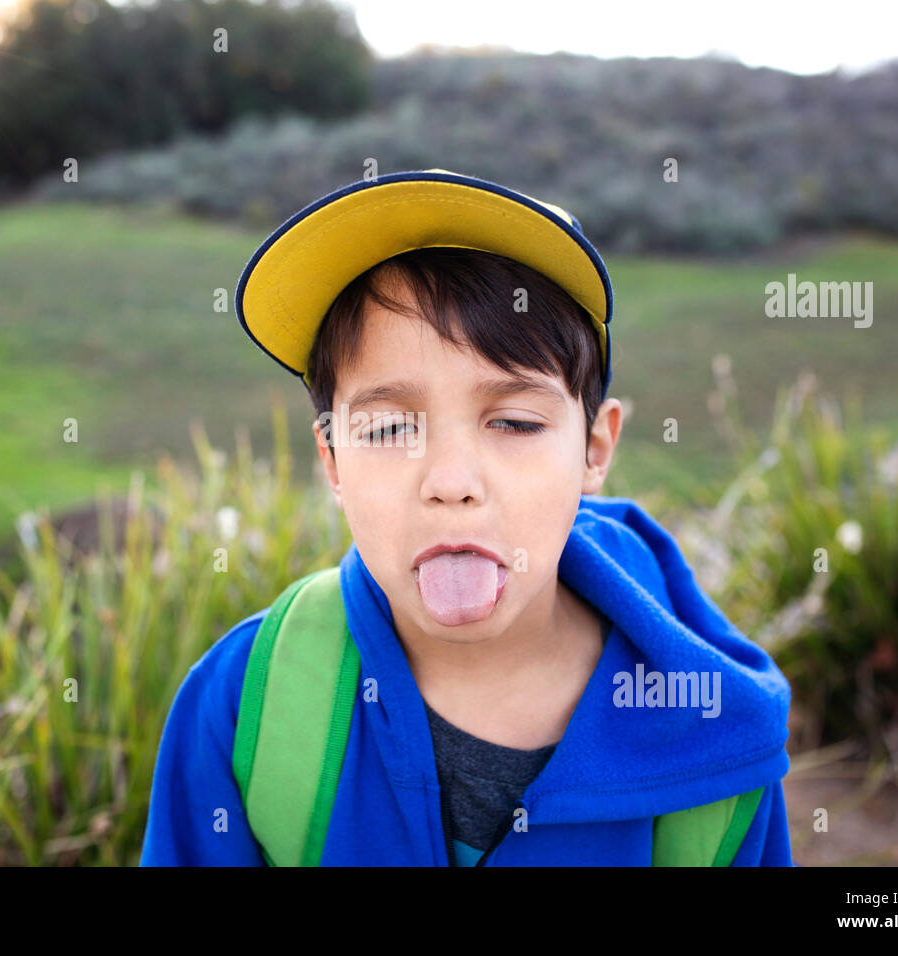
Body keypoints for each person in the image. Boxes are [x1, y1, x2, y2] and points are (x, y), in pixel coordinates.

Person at [140, 168, 794, 865]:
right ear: (332, 462)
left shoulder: (716, 741)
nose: (452, 484)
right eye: (390, 430)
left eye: (512, 422)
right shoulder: (249, 701)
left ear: (594, 450)